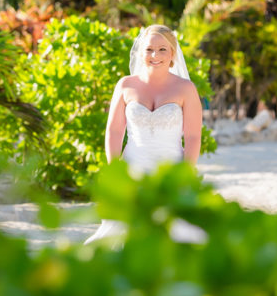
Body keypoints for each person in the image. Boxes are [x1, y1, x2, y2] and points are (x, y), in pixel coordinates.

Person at [85, 24, 204, 245]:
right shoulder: (125, 85)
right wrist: (115, 169)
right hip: (133, 167)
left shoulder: (186, 89)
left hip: (170, 169)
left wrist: (186, 173)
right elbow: (114, 130)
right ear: (141, 52)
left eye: (162, 50)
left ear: (172, 55)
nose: (154, 55)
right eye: (149, 49)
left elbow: (193, 137)